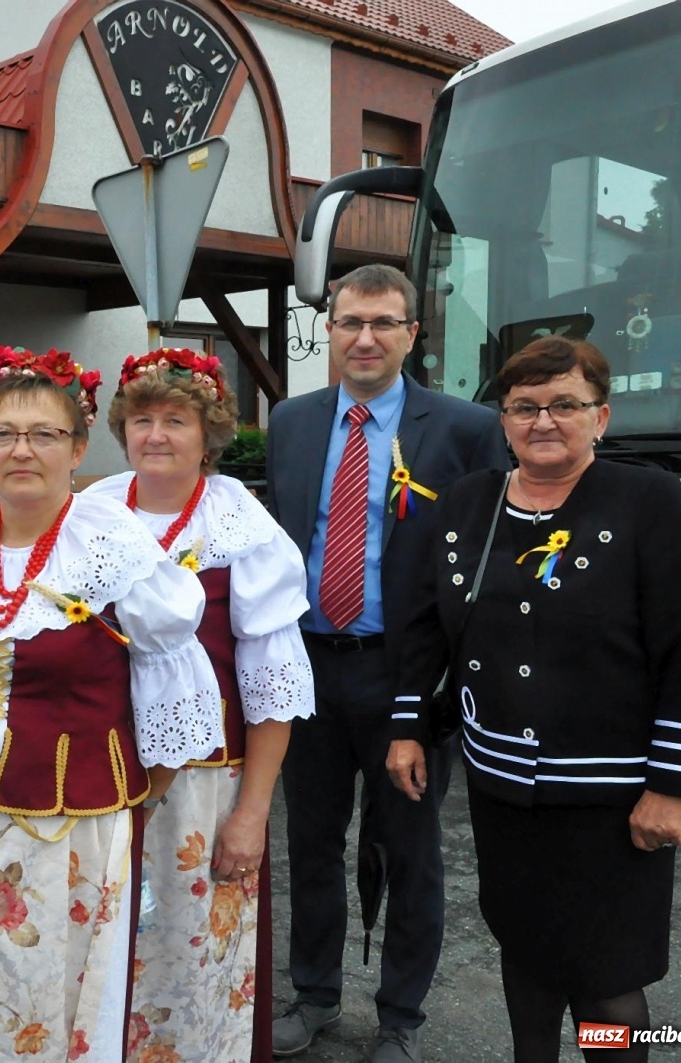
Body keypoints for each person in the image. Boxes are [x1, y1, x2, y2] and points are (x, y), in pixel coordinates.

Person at [0, 346, 223, 1061]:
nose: (22, 449)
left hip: (70, 835)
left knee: (48, 999)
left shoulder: (117, 546)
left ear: (79, 448)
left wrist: (123, 803)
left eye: (44, 434)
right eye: (3, 434)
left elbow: (180, 700)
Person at [387, 337, 681, 1063]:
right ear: (504, 420)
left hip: (614, 800)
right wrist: (409, 727)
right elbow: (424, 629)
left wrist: (672, 787)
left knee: (608, 982)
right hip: (505, 793)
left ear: (600, 417)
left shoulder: (647, 500)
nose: (544, 420)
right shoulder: (468, 503)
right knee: (528, 957)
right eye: (525, 406)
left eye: (565, 404)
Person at [265, 263, 508, 1063]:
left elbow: (479, 562)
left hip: (408, 675)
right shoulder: (292, 421)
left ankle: (401, 1015)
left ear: (411, 333)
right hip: (309, 668)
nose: (363, 337)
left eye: (382, 322)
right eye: (348, 321)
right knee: (310, 840)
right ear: (328, 330)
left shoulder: (465, 429)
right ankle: (314, 993)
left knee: (410, 850)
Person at [88, 347, 314, 1063]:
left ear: (208, 433)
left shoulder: (238, 527)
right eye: (143, 418)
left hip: (203, 787)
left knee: (191, 955)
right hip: (94, 778)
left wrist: (251, 812)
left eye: (176, 420)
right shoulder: (89, 512)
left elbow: (271, 683)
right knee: (100, 942)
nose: (156, 434)